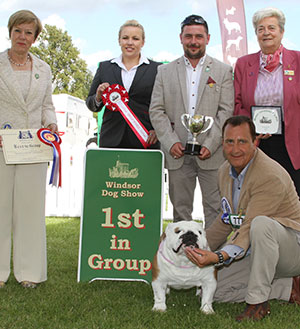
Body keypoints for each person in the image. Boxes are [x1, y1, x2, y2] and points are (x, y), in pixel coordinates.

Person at [185, 115, 300, 321]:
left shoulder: (269, 175)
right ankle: (289, 287)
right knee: (210, 291)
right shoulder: (224, 171)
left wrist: (220, 257)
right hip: (259, 250)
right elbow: (227, 218)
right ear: (223, 143)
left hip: (291, 250)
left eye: (242, 141)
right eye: (230, 141)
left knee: (261, 224)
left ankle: (257, 302)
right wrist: (196, 245)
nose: (235, 149)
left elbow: (248, 227)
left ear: (255, 142)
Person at [149, 15, 234, 228]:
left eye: (199, 36)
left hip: (212, 154)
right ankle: (183, 259)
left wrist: (210, 144)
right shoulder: (164, 71)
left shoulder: (223, 71)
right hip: (177, 154)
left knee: (215, 211)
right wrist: (170, 142)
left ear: (208, 38)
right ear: (181, 38)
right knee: (180, 212)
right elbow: (157, 110)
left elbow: (226, 111)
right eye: (189, 36)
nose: (193, 41)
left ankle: (213, 258)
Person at [0, 10, 58, 288]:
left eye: (28, 32)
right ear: (10, 32)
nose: (22, 37)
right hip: (3, 147)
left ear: (35, 38)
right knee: (1, 209)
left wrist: (52, 124)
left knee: (31, 211)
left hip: (34, 147)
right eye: (18, 31)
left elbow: (47, 104)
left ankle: (29, 273)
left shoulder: (44, 69)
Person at [234, 7, 300, 198]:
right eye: (260, 29)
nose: (266, 33)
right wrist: (251, 127)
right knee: (260, 196)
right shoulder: (244, 64)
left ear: (282, 32)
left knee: (293, 199)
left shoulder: (298, 60)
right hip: (258, 142)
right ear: (256, 34)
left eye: (271, 28)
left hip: (292, 143)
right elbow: (238, 104)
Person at [86, 19, 160, 149]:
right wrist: (98, 97)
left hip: (145, 139)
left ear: (143, 42)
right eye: (125, 38)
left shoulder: (156, 69)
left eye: (135, 38)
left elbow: (165, 105)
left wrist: (158, 129)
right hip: (110, 140)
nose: (130, 42)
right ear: (119, 40)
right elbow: (91, 104)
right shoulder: (105, 67)